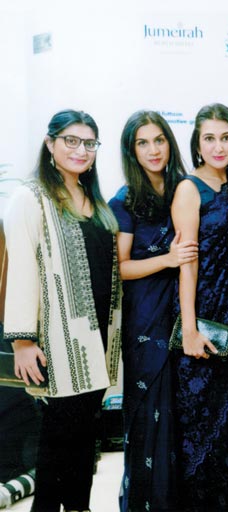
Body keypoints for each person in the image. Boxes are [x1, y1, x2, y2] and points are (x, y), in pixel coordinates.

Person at [3, 109, 122, 512]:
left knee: (85, 434)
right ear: (50, 143)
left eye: (89, 143)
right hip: (58, 337)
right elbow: (21, 268)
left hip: (98, 338)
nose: (80, 150)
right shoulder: (31, 197)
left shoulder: (95, 199)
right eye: (71, 140)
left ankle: (78, 507)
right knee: (59, 437)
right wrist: (22, 341)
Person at [170, 103, 228, 511]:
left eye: (226, 137)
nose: (219, 146)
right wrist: (189, 329)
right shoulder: (190, 189)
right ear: (197, 144)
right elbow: (187, 264)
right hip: (204, 319)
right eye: (210, 138)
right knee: (201, 425)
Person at [109, 111, 197, 512]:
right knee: (150, 410)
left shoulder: (186, 188)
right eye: (142, 143)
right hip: (145, 314)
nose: (153, 150)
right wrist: (168, 259)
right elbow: (121, 267)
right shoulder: (125, 200)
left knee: (183, 410)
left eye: (159, 140)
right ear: (131, 151)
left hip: (186, 305)